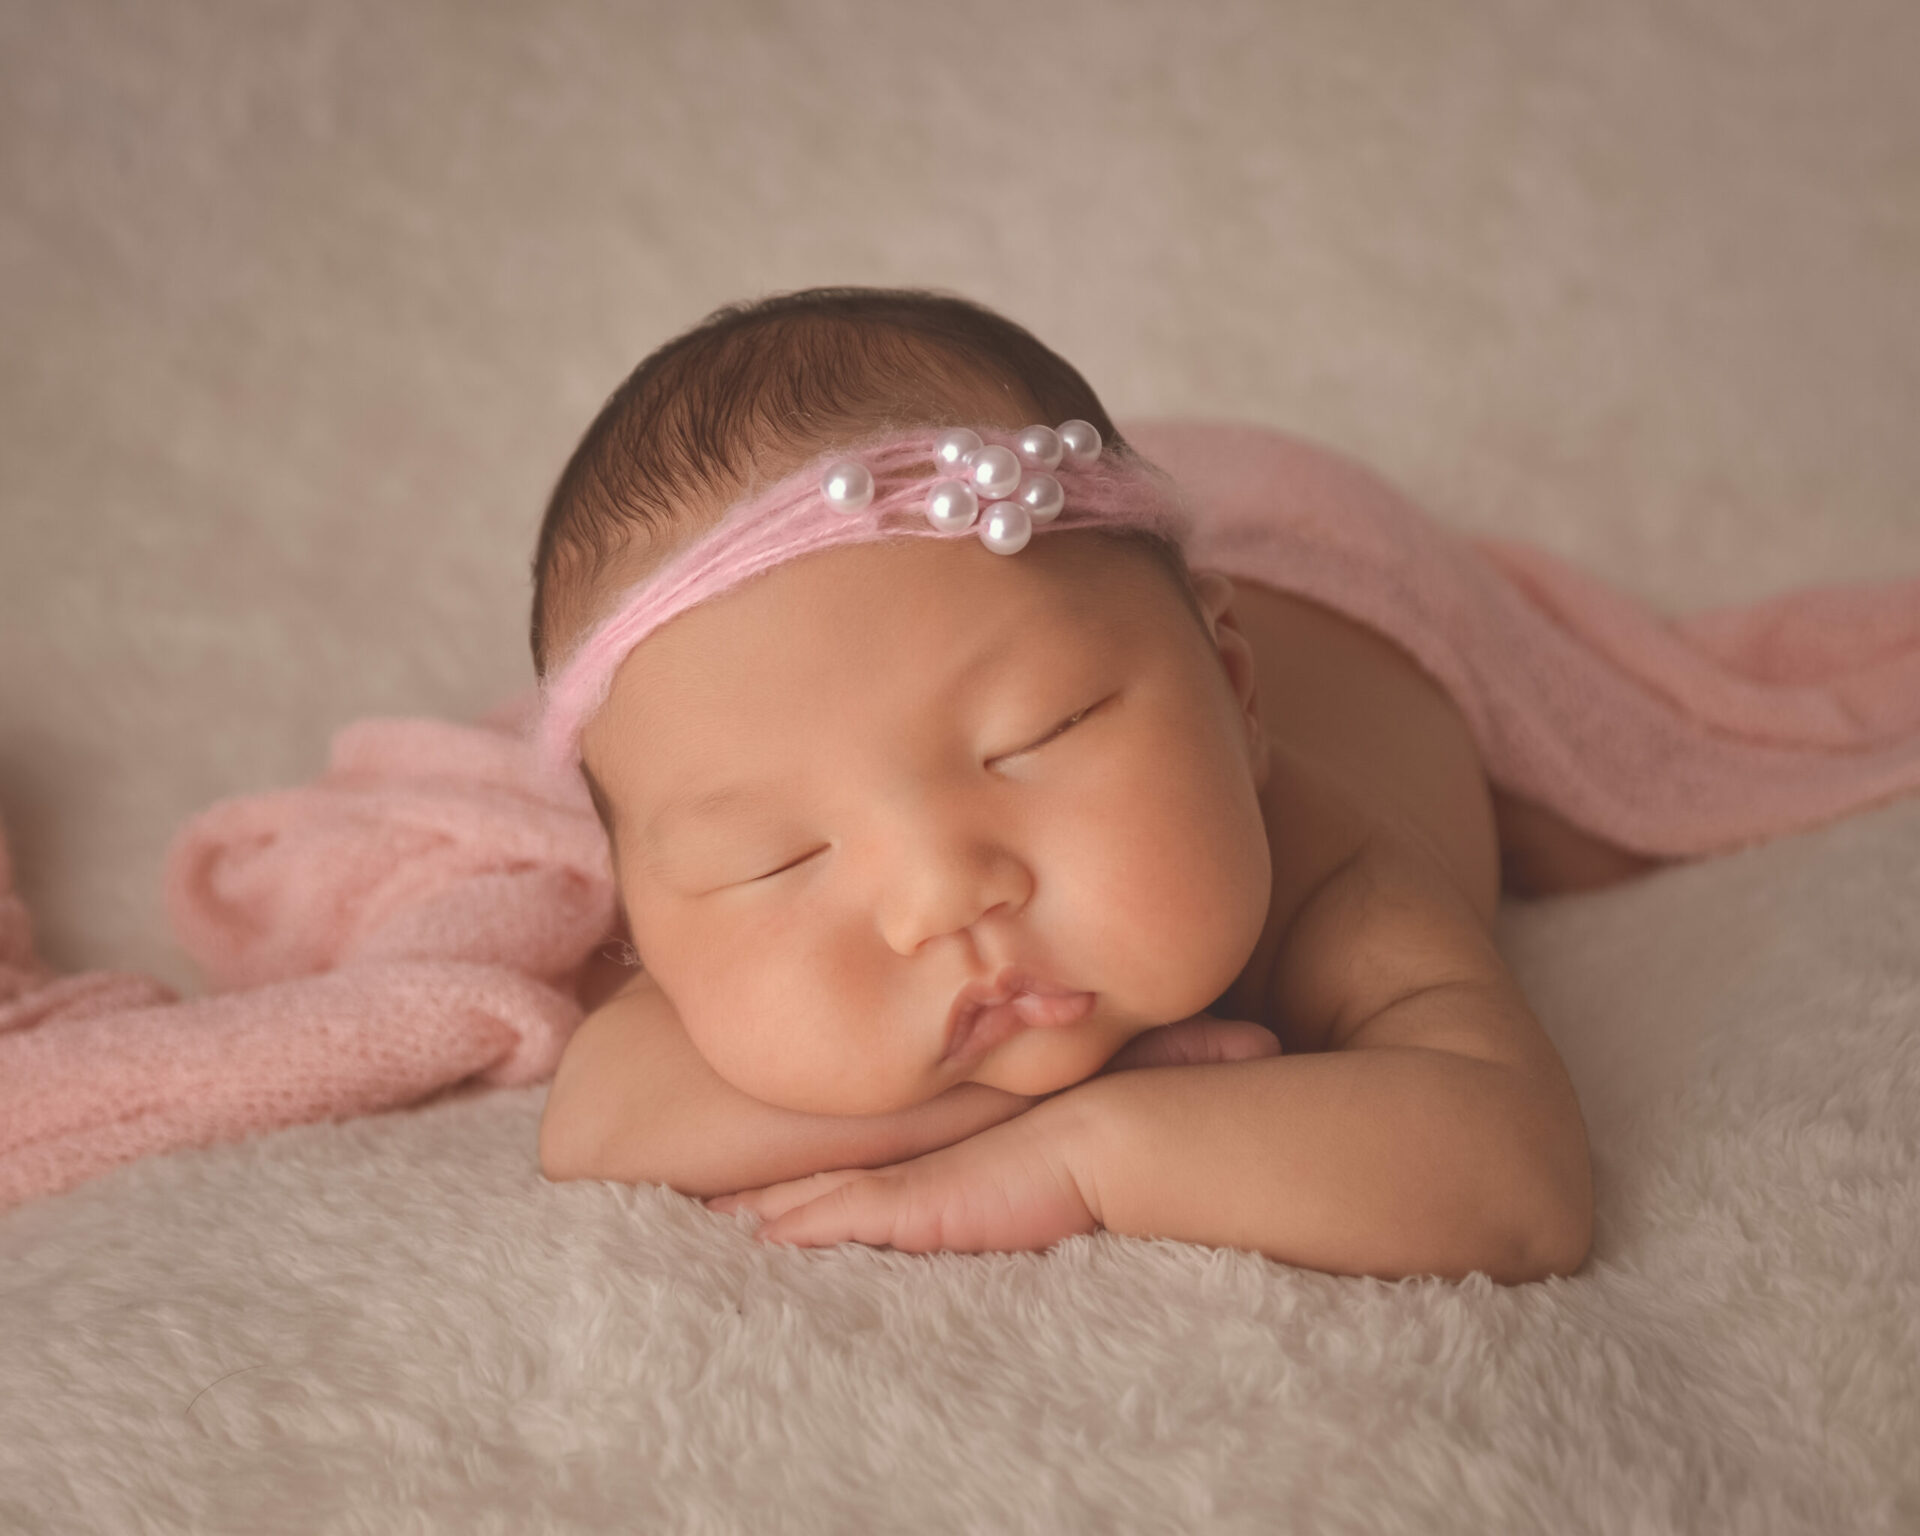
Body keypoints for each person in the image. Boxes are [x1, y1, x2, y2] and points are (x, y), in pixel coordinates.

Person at [531, 286, 1652, 1282]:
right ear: (641, 919)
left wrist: (1089, 1152)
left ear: (1231, 686)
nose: (944, 894)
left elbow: (1514, 1187)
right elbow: (598, 1117)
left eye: (1038, 735)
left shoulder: (1334, 869)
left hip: (1341, 565)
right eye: (776, 857)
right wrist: (1010, 1090)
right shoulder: (747, 795)